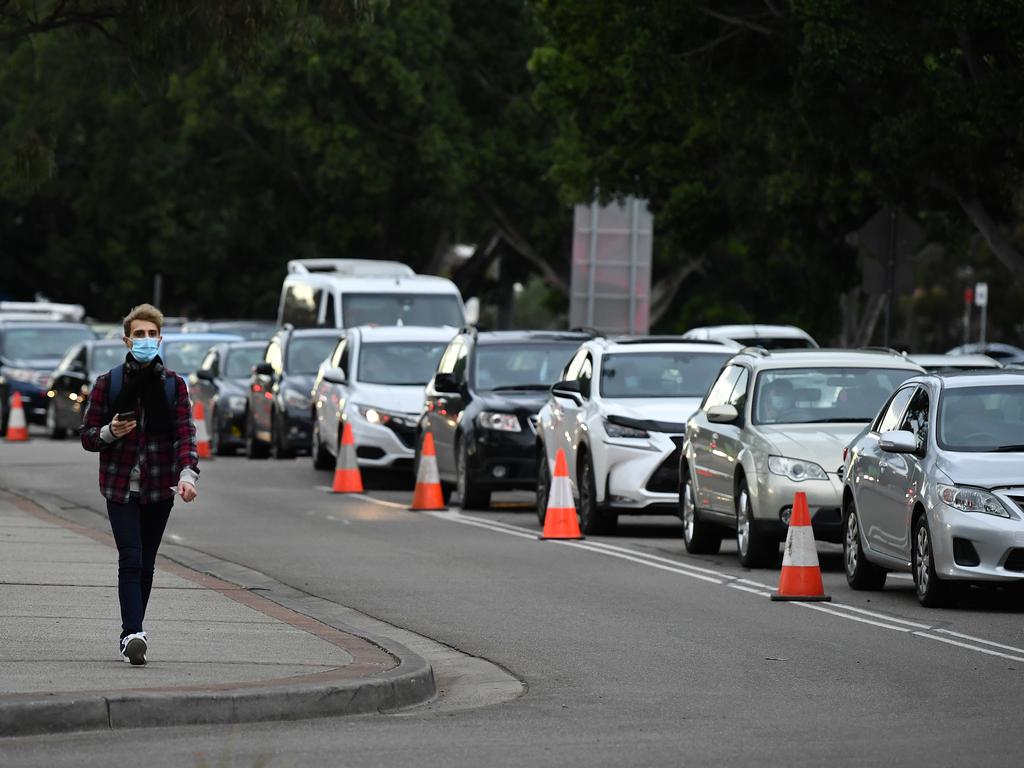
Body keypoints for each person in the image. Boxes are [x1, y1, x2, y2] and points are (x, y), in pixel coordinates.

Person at [80, 303, 199, 666]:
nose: (146, 340)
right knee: (130, 558)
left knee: (146, 562)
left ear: (160, 339)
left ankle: (132, 631)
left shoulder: (174, 385)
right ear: (126, 339)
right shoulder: (108, 383)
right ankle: (133, 633)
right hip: (119, 487)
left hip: (160, 487)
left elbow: (185, 435)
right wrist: (109, 432)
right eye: (139, 335)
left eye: (152, 335)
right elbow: (87, 436)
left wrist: (187, 476)